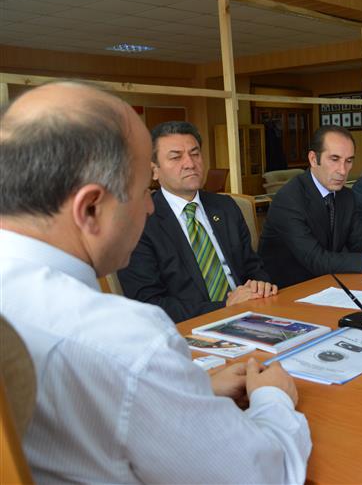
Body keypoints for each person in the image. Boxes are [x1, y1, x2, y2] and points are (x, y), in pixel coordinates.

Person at [0, 82, 310, 483]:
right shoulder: (129, 342)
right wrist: (274, 399)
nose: (149, 205)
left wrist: (193, 387)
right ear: (90, 208)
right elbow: (262, 474)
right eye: (139, 192)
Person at [118, 121, 275, 323]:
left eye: (195, 154)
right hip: (189, 328)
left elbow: (253, 266)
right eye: (176, 157)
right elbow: (149, 303)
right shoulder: (138, 223)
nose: (190, 164)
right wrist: (225, 307)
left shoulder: (226, 207)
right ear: (154, 170)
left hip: (252, 313)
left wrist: (259, 286)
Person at [259, 125, 362, 288]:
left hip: (329, 283)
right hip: (286, 290)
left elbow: (357, 242)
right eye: (334, 159)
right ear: (313, 159)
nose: (343, 170)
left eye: (349, 161)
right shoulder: (289, 199)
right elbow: (317, 260)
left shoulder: (346, 196)